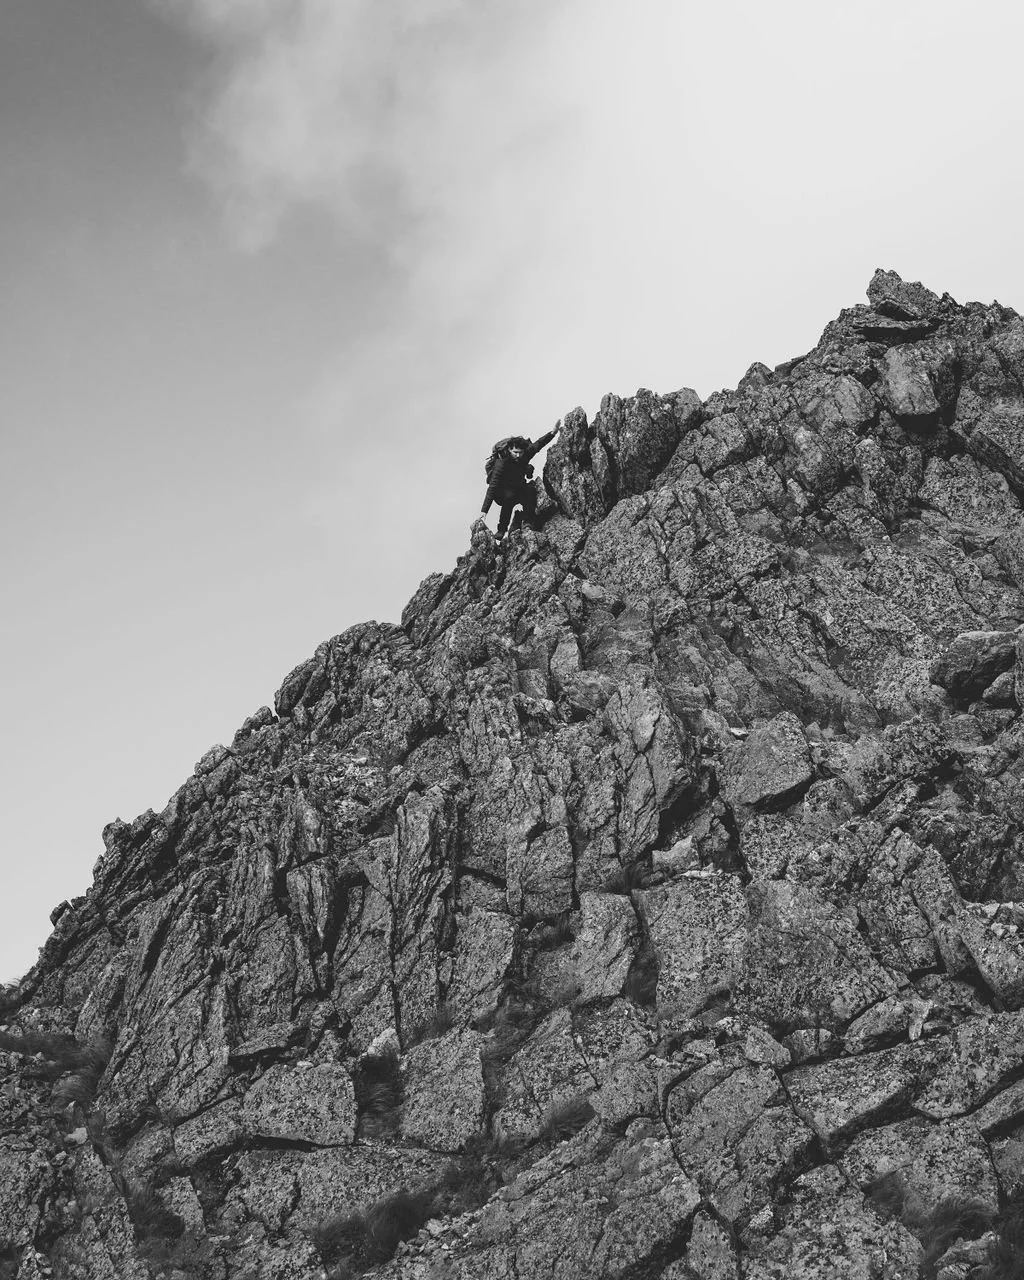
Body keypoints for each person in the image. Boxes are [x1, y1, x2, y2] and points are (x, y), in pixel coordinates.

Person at [481, 425, 559, 539]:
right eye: (515, 452)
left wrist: (552, 433)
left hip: (518, 485)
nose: (518, 455)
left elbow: (538, 444)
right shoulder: (501, 463)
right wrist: (484, 511)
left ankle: (528, 522)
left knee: (530, 491)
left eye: (520, 452)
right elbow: (492, 487)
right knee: (509, 498)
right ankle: (501, 530)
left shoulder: (525, 454)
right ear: (509, 449)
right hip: (503, 491)